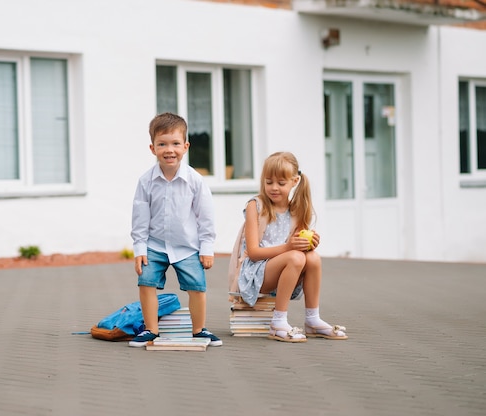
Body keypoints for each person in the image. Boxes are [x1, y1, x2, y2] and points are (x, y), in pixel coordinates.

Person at [129, 112, 222, 348]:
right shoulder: (146, 181)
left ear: (186, 146)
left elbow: (206, 217)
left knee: (197, 286)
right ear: (152, 148)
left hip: (187, 246)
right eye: (162, 144)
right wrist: (140, 248)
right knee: (146, 281)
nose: (169, 150)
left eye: (175, 144)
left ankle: (199, 329)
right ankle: (151, 330)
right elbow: (140, 218)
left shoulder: (195, 180)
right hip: (154, 245)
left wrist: (207, 247)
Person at [237, 151, 347, 343]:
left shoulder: (296, 209)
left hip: (284, 268)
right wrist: (290, 247)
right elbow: (254, 253)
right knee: (295, 257)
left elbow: (299, 250)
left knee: (312, 257)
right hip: (255, 273)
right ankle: (278, 322)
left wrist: (309, 244)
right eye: (269, 181)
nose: (273, 188)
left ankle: (312, 320)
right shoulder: (256, 206)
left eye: (281, 183)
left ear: (294, 181)